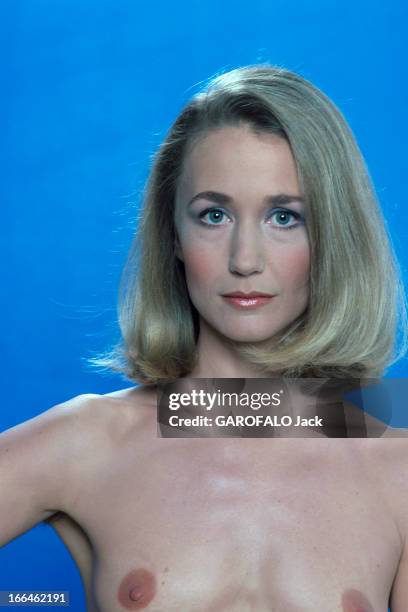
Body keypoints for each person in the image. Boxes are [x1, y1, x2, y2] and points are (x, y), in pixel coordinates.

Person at [1, 63, 408, 612]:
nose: (245, 260)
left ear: (332, 236)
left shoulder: (397, 471)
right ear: (173, 234)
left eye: (285, 217)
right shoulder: (90, 442)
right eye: (213, 215)